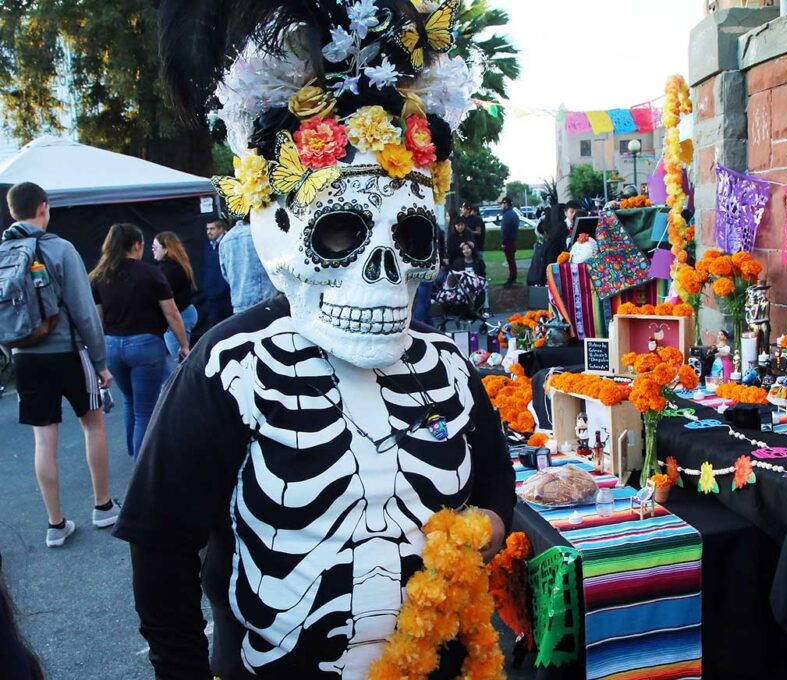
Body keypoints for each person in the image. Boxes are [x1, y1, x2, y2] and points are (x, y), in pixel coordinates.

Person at [117, 3, 516, 675]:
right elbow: (161, 546)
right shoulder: (229, 366)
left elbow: (496, 487)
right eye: (340, 231)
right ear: (275, 230)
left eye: (412, 237)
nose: (386, 270)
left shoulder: (446, 365)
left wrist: (473, 534)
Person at [4, 182, 118, 548]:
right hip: (69, 351)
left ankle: (55, 524)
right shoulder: (60, 249)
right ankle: (102, 506)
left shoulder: (3, 252)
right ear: (44, 208)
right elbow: (85, 311)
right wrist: (100, 362)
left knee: (43, 439)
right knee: (93, 426)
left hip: (25, 357)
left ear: (11, 212)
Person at [90, 223, 190, 460]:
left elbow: (97, 319)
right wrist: (184, 344)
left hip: (113, 345)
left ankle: (134, 452)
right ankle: (142, 464)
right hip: (146, 344)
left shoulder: (98, 277)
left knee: (129, 401)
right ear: (136, 245)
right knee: (145, 408)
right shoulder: (152, 273)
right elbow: (172, 312)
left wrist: (98, 355)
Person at [152, 231, 199, 371]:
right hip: (184, 313)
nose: (152, 250)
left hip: (179, 316)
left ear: (166, 249)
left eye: (155, 247)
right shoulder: (175, 266)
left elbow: (166, 301)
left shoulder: (170, 270)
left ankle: (190, 389)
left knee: (182, 361)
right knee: (182, 359)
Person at [218, 219, 277, 313]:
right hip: (267, 302)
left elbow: (225, 273)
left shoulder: (225, 240)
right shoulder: (261, 233)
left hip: (240, 306)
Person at [199, 219, 232, 331]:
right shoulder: (208, 247)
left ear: (221, 229)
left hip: (227, 296)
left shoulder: (228, 244)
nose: (209, 231)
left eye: (212, 228)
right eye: (207, 229)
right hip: (212, 297)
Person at [499, 196, 520, 287]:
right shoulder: (513, 214)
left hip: (508, 241)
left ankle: (511, 278)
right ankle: (513, 277)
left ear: (506, 204)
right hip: (512, 240)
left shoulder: (507, 215)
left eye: (502, 204)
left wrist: (503, 242)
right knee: (511, 260)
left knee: (510, 260)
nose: (501, 206)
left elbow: (505, 229)